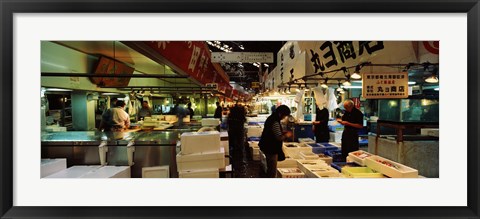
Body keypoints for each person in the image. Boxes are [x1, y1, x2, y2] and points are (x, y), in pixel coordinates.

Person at [259, 105, 292, 178]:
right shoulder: (275, 122)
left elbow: (274, 132)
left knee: (270, 169)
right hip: (271, 148)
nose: (284, 118)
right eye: (284, 116)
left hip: (267, 146)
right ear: (280, 114)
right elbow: (279, 138)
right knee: (272, 171)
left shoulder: (271, 118)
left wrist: (282, 132)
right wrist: (287, 135)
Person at [227, 105, 247, 176]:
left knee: (234, 152)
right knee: (239, 152)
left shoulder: (230, 118)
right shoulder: (240, 118)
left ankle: (235, 168)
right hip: (239, 137)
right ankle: (238, 168)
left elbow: (227, 126)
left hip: (232, 137)